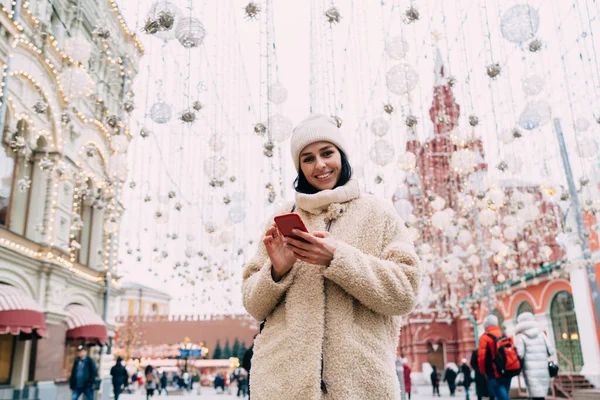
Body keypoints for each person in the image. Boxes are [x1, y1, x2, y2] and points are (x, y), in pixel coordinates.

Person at [242, 115, 420, 399]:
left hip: (361, 387)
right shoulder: (282, 220)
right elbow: (253, 304)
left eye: (327, 153)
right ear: (299, 167)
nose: (320, 165)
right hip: (282, 385)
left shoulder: (378, 214)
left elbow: (405, 293)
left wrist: (337, 257)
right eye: (308, 158)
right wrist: (276, 272)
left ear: (342, 156)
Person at [515, 312, 554, 400]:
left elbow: (519, 354)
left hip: (530, 370)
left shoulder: (521, 336)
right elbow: (551, 351)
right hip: (543, 368)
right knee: (541, 395)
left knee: (534, 394)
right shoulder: (541, 334)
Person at [478, 315, 511, 400]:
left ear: (486, 325)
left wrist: (483, 371)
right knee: (504, 393)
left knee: (501, 394)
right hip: (508, 369)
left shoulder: (484, 338)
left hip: (494, 372)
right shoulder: (505, 335)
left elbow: (482, 357)